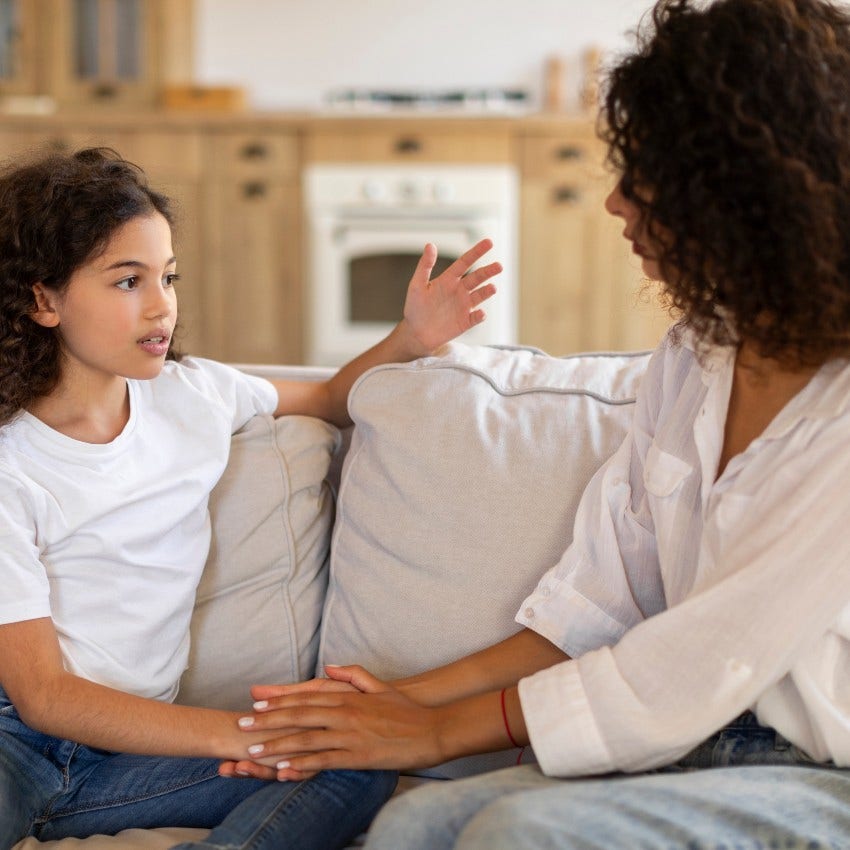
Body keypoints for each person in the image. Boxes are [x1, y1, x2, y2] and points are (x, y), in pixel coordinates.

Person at [222, 0, 850, 847]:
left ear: (743, 197)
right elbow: (599, 604)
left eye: (648, 174)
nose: (618, 204)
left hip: (821, 776)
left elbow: (702, 658)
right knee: (410, 824)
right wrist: (394, 702)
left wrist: (437, 732)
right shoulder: (699, 355)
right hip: (700, 744)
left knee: (519, 832)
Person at [0, 146, 501, 849]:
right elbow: (45, 697)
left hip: (131, 755)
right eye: (126, 281)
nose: (161, 305)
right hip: (16, 742)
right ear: (43, 298)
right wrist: (251, 732)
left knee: (354, 758)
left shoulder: (195, 395)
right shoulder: (11, 464)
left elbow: (329, 398)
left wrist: (410, 336)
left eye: (168, 278)